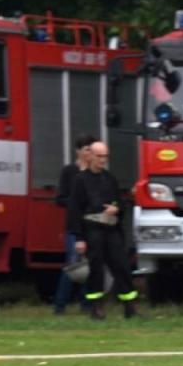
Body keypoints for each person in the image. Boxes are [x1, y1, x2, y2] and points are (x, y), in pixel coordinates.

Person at [68, 140, 138, 319]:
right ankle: (96, 307)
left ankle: (129, 306)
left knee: (121, 267)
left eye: (105, 156)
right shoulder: (80, 180)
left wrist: (117, 209)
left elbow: (119, 202)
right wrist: (79, 238)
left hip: (111, 229)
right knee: (96, 269)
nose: (102, 160)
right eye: (99, 156)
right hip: (92, 230)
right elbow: (74, 209)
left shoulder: (109, 178)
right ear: (90, 156)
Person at [52, 135, 96, 315]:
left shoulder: (95, 174)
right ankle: (59, 305)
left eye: (92, 150)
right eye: (87, 149)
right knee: (73, 265)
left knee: (89, 266)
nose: (90, 153)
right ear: (78, 151)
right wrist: (77, 202)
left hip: (92, 225)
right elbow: (60, 199)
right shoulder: (70, 171)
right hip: (74, 226)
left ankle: (86, 304)